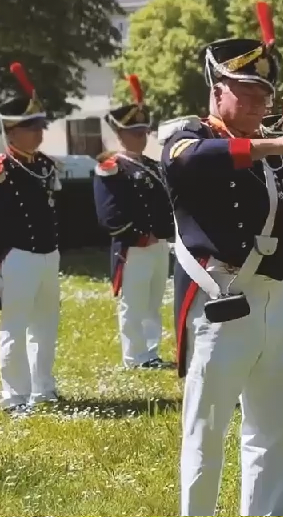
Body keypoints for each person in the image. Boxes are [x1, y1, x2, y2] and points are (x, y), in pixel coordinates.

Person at [160, 35, 283, 516]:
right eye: (245, 91)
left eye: (264, 94)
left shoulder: (272, 152)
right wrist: (271, 143)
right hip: (224, 294)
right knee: (206, 430)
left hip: (278, 295)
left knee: (272, 427)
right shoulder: (189, 135)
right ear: (216, 89)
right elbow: (189, 161)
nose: (258, 102)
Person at [0, 62, 63, 415]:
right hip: (16, 256)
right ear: (12, 131)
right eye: (32, 127)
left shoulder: (44, 165)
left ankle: (44, 389)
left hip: (47, 254)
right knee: (15, 326)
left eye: (39, 126)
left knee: (46, 325)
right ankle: (15, 397)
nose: (39, 133)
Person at [94, 74, 175, 370]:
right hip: (133, 246)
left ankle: (150, 353)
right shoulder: (110, 167)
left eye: (144, 132)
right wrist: (141, 235)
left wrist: (165, 234)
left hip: (158, 245)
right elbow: (109, 214)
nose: (142, 138)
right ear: (121, 134)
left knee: (153, 301)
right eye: (136, 133)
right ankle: (134, 355)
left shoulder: (152, 165)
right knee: (133, 303)